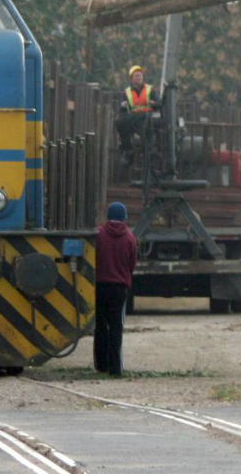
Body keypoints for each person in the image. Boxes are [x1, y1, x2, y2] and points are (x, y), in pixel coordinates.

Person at [93, 201, 138, 376]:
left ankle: (101, 365)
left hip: (99, 285)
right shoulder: (130, 238)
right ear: (124, 218)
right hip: (119, 288)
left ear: (108, 216)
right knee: (116, 327)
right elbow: (131, 264)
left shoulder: (98, 234)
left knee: (100, 326)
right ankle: (115, 368)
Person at [116, 64, 160, 162]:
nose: (139, 77)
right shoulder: (126, 92)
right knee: (121, 122)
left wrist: (154, 103)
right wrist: (123, 105)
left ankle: (148, 151)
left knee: (146, 127)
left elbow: (158, 103)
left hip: (147, 118)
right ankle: (127, 148)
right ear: (131, 79)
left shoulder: (150, 89)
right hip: (134, 118)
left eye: (140, 75)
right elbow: (121, 109)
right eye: (136, 76)